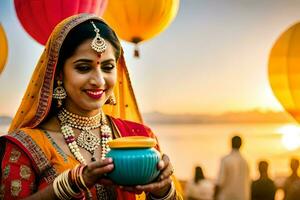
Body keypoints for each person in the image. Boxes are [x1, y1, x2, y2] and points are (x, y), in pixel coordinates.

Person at [0, 14, 183, 199]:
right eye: (83, 68)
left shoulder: (141, 138)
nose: (99, 80)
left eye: (108, 67)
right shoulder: (25, 146)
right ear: (59, 74)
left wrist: (163, 190)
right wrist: (71, 184)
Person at [214, 135, 250, 200]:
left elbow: (220, 181)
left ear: (230, 143)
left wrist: (214, 196)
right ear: (241, 145)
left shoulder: (225, 160)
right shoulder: (245, 162)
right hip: (242, 197)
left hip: (226, 197)